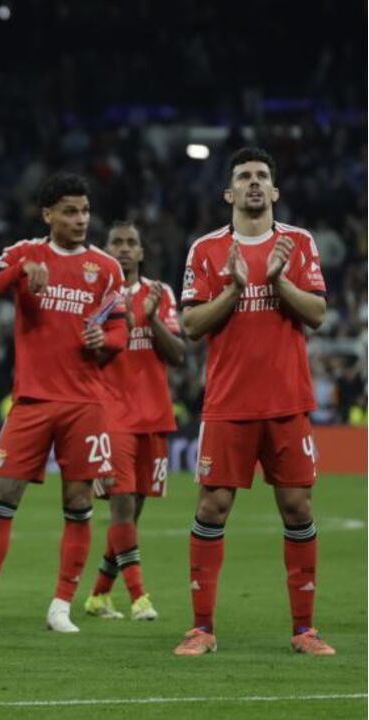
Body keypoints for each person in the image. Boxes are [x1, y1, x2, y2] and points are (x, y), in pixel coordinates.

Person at [0, 172, 125, 635]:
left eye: (84, 210)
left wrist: (107, 339)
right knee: (1, 494)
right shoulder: (25, 253)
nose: (80, 219)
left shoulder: (105, 267)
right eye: (69, 211)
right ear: (48, 214)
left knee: (79, 500)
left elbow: (119, 329)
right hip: (31, 401)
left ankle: (61, 605)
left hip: (84, 402)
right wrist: (17, 273)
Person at [174, 147, 334, 656]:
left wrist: (278, 280)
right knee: (213, 507)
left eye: (263, 175)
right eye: (244, 176)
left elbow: (318, 314)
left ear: (276, 190)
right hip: (228, 403)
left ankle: (305, 630)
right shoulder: (205, 249)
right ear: (229, 193)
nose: (254, 183)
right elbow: (192, 326)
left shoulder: (298, 242)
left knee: (297, 507)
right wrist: (234, 289)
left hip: (287, 401)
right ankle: (202, 628)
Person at [82, 221, 183, 622]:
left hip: (154, 414)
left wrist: (153, 317)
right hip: (111, 415)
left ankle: (98, 596)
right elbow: (87, 356)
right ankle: (140, 597)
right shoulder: (95, 297)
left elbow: (176, 355)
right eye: (116, 243)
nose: (124, 249)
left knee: (134, 513)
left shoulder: (162, 294)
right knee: (122, 508)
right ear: (105, 251)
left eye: (131, 243)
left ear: (142, 252)